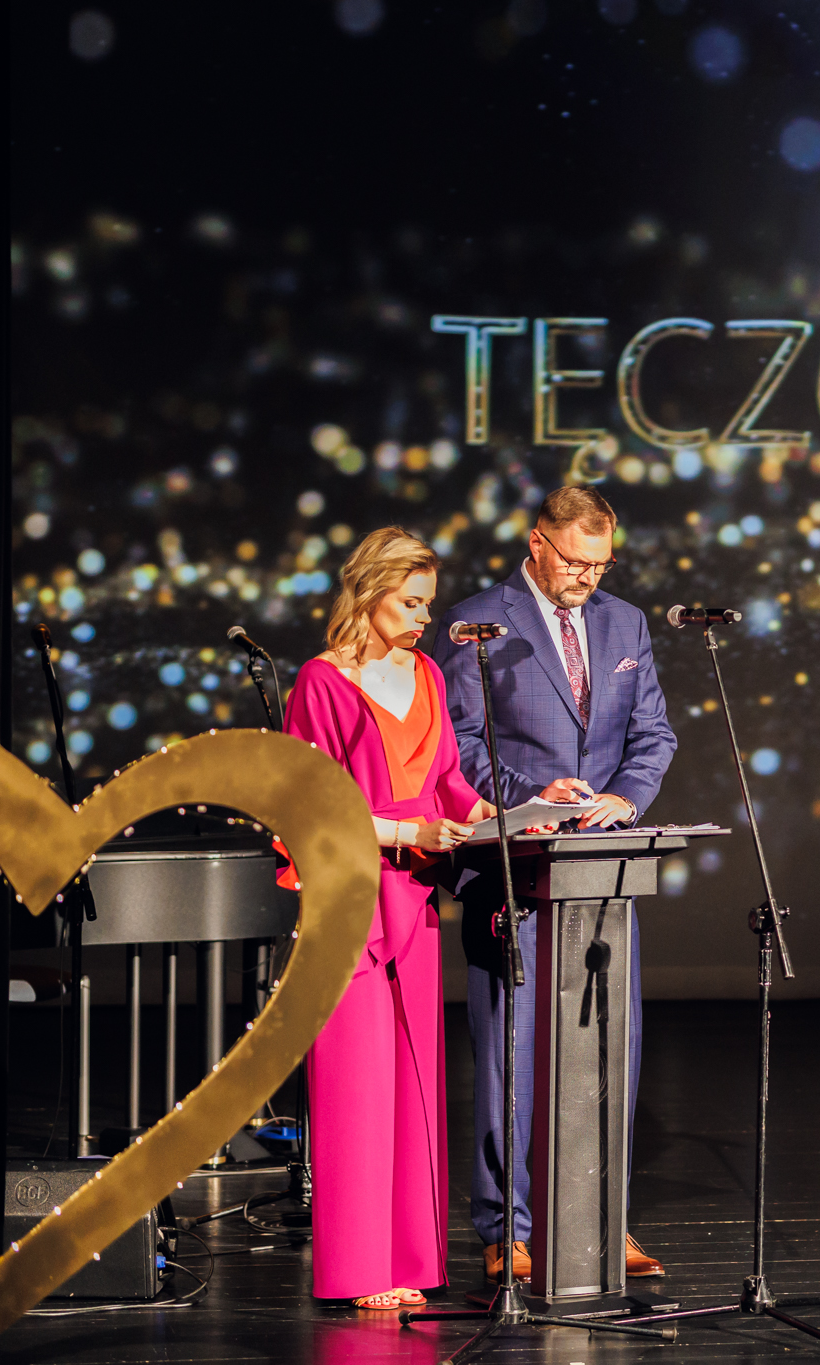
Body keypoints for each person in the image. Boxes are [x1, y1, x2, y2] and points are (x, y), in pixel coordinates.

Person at [433, 486, 677, 1284]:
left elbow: (653, 734)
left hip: (601, 868)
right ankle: (506, 1226)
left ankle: (601, 1217)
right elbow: (459, 747)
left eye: (602, 563)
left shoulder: (625, 623)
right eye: (576, 560)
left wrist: (624, 797)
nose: (587, 576)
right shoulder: (476, 623)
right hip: (514, 868)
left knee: (610, 1049)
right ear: (537, 542)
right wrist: (530, 798)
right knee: (511, 1053)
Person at [279, 526, 493, 1309]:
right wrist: (408, 832)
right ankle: (361, 1267)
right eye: (410, 602)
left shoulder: (428, 672)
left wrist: (495, 812)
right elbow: (312, 806)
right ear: (369, 593)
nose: (424, 618)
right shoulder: (323, 681)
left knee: (412, 1083)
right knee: (357, 1083)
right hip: (351, 899)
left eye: (428, 604)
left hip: (413, 899)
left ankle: (410, 1258)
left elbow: (447, 779)